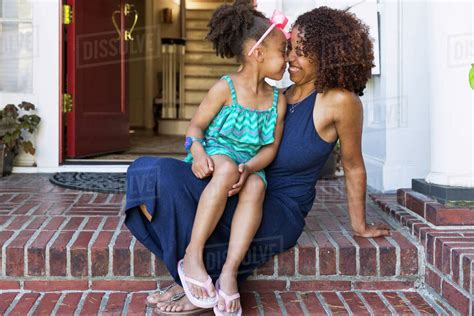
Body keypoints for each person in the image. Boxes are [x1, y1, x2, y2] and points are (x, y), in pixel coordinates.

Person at [124, 6, 391, 315]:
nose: (291, 57)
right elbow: (209, 132)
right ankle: (193, 276)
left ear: (328, 55)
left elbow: (354, 165)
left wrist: (359, 225)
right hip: (238, 186)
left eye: (301, 52)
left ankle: (200, 289)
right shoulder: (280, 96)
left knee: (199, 195)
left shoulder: (339, 101)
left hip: (278, 208)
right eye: (290, 48)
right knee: (149, 173)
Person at [174, 1, 287, 314]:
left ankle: (228, 272)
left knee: (257, 188)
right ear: (257, 52)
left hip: (249, 163)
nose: (288, 60)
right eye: (283, 50)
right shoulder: (226, 88)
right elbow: (195, 127)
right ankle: (193, 254)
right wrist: (196, 151)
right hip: (217, 152)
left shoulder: (277, 100)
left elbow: (270, 150)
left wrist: (249, 168)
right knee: (224, 169)